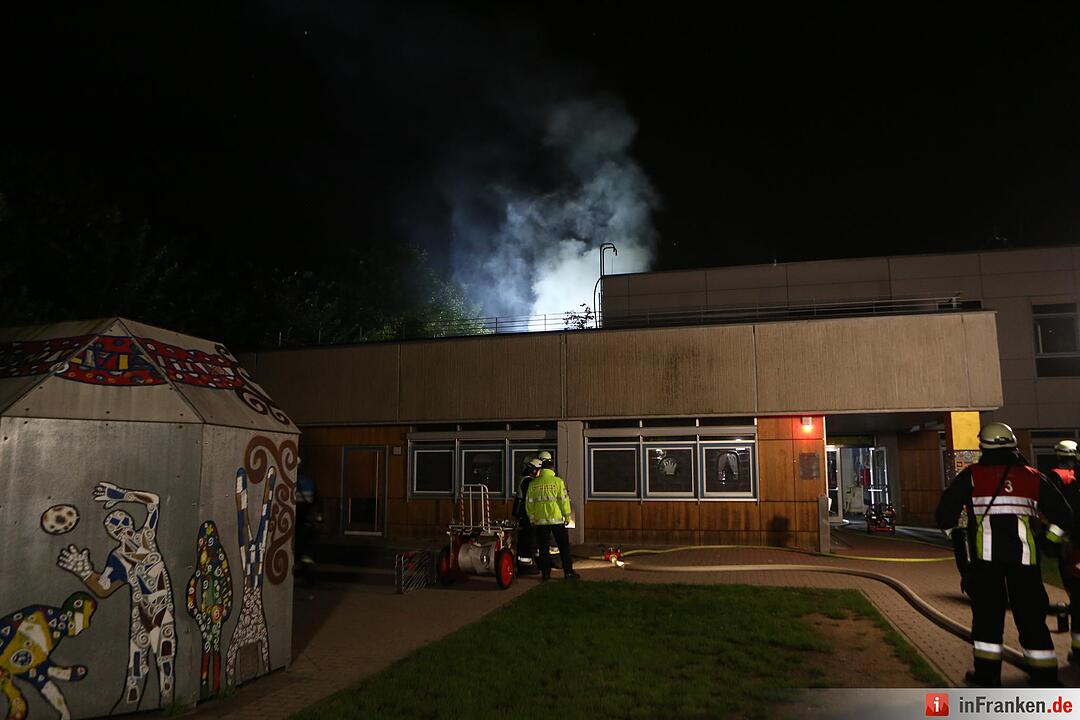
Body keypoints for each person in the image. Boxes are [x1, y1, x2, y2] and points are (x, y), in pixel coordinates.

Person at [936, 422, 1072, 687]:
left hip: (986, 562)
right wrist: (1050, 542)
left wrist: (955, 536)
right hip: (1026, 562)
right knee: (1032, 619)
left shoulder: (972, 476)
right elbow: (1064, 515)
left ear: (983, 447)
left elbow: (945, 513)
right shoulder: (1033, 477)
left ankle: (987, 676)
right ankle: (1045, 676)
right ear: (1013, 444)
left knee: (987, 619)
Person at [1045, 440, 1080, 663]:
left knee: (1076, 594)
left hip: (1072, 543)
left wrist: (1050, 542)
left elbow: (1058, 514)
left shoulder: (1055, 477)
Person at [526, 457, 580, 580]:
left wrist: (532, 519)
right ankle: (568, 573)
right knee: (564, 547)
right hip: (557, 520)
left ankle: (546, 574)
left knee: (543, 549)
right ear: (552, 469)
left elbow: (529, 504)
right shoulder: (558, 482)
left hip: (540, 522)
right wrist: (567, 517)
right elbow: (564, 501)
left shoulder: (533, 484)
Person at [512, 456, 542, 575]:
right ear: (535, 470)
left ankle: (526, 564)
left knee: (527, 539)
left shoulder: (525, 480)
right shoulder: (528, 482)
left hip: (523, 513)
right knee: (527, 540)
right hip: (526, 514)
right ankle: (526, 566)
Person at [295, 461, 322, 581]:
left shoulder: (291, 483)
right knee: (307, 545)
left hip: (297, 521)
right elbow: (317, 501)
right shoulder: (309, 482)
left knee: (298, 545)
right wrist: (318, 518)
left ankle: (300, 568)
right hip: (308, 520)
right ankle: (305, 568)